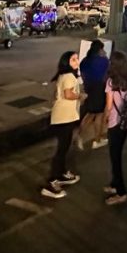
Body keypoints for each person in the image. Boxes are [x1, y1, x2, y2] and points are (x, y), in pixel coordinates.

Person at [42, 51, 82, 199]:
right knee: (62, 150)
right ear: (66, 62)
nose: (77, 61)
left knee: (64, 148)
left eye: (77, 58)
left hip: (64, 117)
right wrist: (81, 96)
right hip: (64, 118)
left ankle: (62, 174)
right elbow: (68, 94)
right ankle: (52, 181)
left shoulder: (65, 75)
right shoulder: (69, 76)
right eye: (73, 59)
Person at [103, 52, 127, 206]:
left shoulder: (111, 83)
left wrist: (104, 120)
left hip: (114, 123)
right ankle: (114, 184)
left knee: (115, 158)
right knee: (117, 153)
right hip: (126, 123)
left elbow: (109, 107)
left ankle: (121, 192)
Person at [78, 40, 110, 150]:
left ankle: (81, 136)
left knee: (90, 113)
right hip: (99, 89)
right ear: (100, 49)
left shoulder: (84, 61)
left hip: (89, 88)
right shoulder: (103, 61)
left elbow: (82, 75)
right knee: (98, 115)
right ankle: (96, 139)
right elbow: (106, 76)